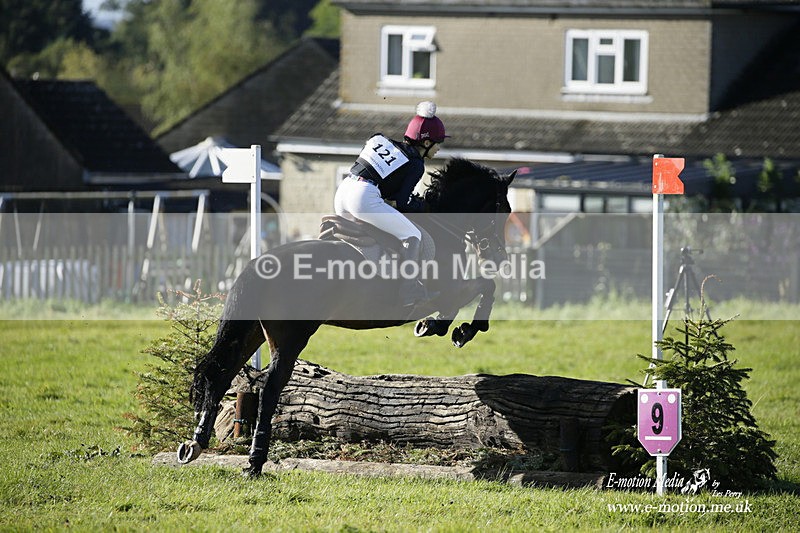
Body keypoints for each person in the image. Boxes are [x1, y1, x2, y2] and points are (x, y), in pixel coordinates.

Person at [334, 101, 447, 308]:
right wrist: (421, 206)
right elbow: (401, 202)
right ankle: (409, 292)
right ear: (427, 142)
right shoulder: (416, 164)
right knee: (413, 235)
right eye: (438, 142)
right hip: (363, 197)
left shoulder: (380, 139)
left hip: (342, 191)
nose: (439, 148)